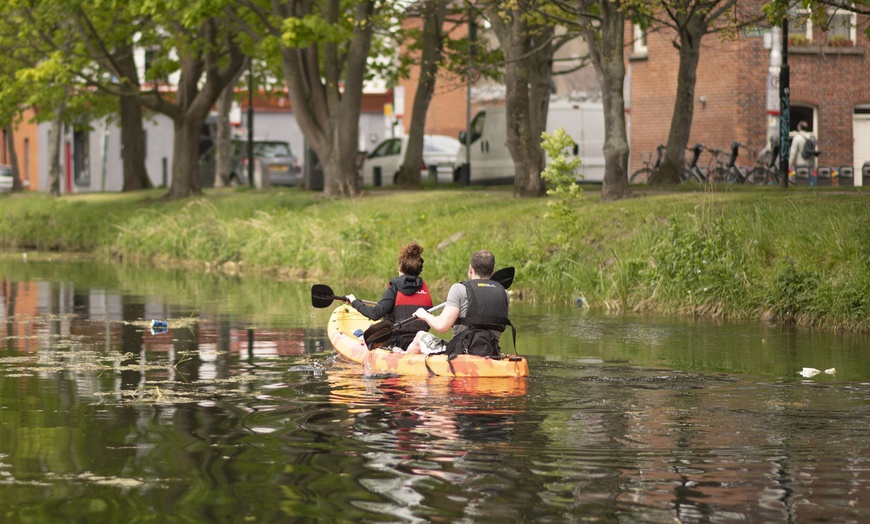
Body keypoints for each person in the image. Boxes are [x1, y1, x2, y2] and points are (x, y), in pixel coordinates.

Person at [406, 249, 511, 357]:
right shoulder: (504, 294)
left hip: (461, 352)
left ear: (470, 269)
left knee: (420, 336)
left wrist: (424, 315)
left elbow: (442, 326)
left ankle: (403, 363)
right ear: (493, 271)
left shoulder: (459, 289)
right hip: (491, 351)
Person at [346, 242, 432, 350]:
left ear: (400, 267)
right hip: (419, 343)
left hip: (395, 343)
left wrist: (354, 301)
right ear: (418, 270)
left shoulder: (394, 288)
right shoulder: (424, 288)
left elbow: (375, 314)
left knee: (369, 329)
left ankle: (359, 335)